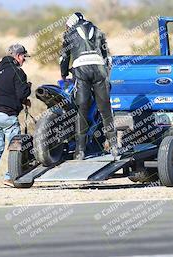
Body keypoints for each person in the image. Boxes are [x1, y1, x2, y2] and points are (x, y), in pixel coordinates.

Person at [60, 12, 118, 160]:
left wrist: (64, 74)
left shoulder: (69, 34)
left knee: (82, 110)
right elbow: (107, 57)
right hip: (99, 69)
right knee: (105, 109)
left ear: (72, 23)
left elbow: (64, 57)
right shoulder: (98, 30)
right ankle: (114, 146)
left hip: (81, 70)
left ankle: (80, 151)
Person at [0, 44, 32, 189]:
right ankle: (11, 178)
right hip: (7, 115)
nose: (24, 60)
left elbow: (7, 91)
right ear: (18, 56)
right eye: (24, 57)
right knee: (15, 146)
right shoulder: (18, 72)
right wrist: (28, 87)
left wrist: (22, 100)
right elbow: (21, 93)